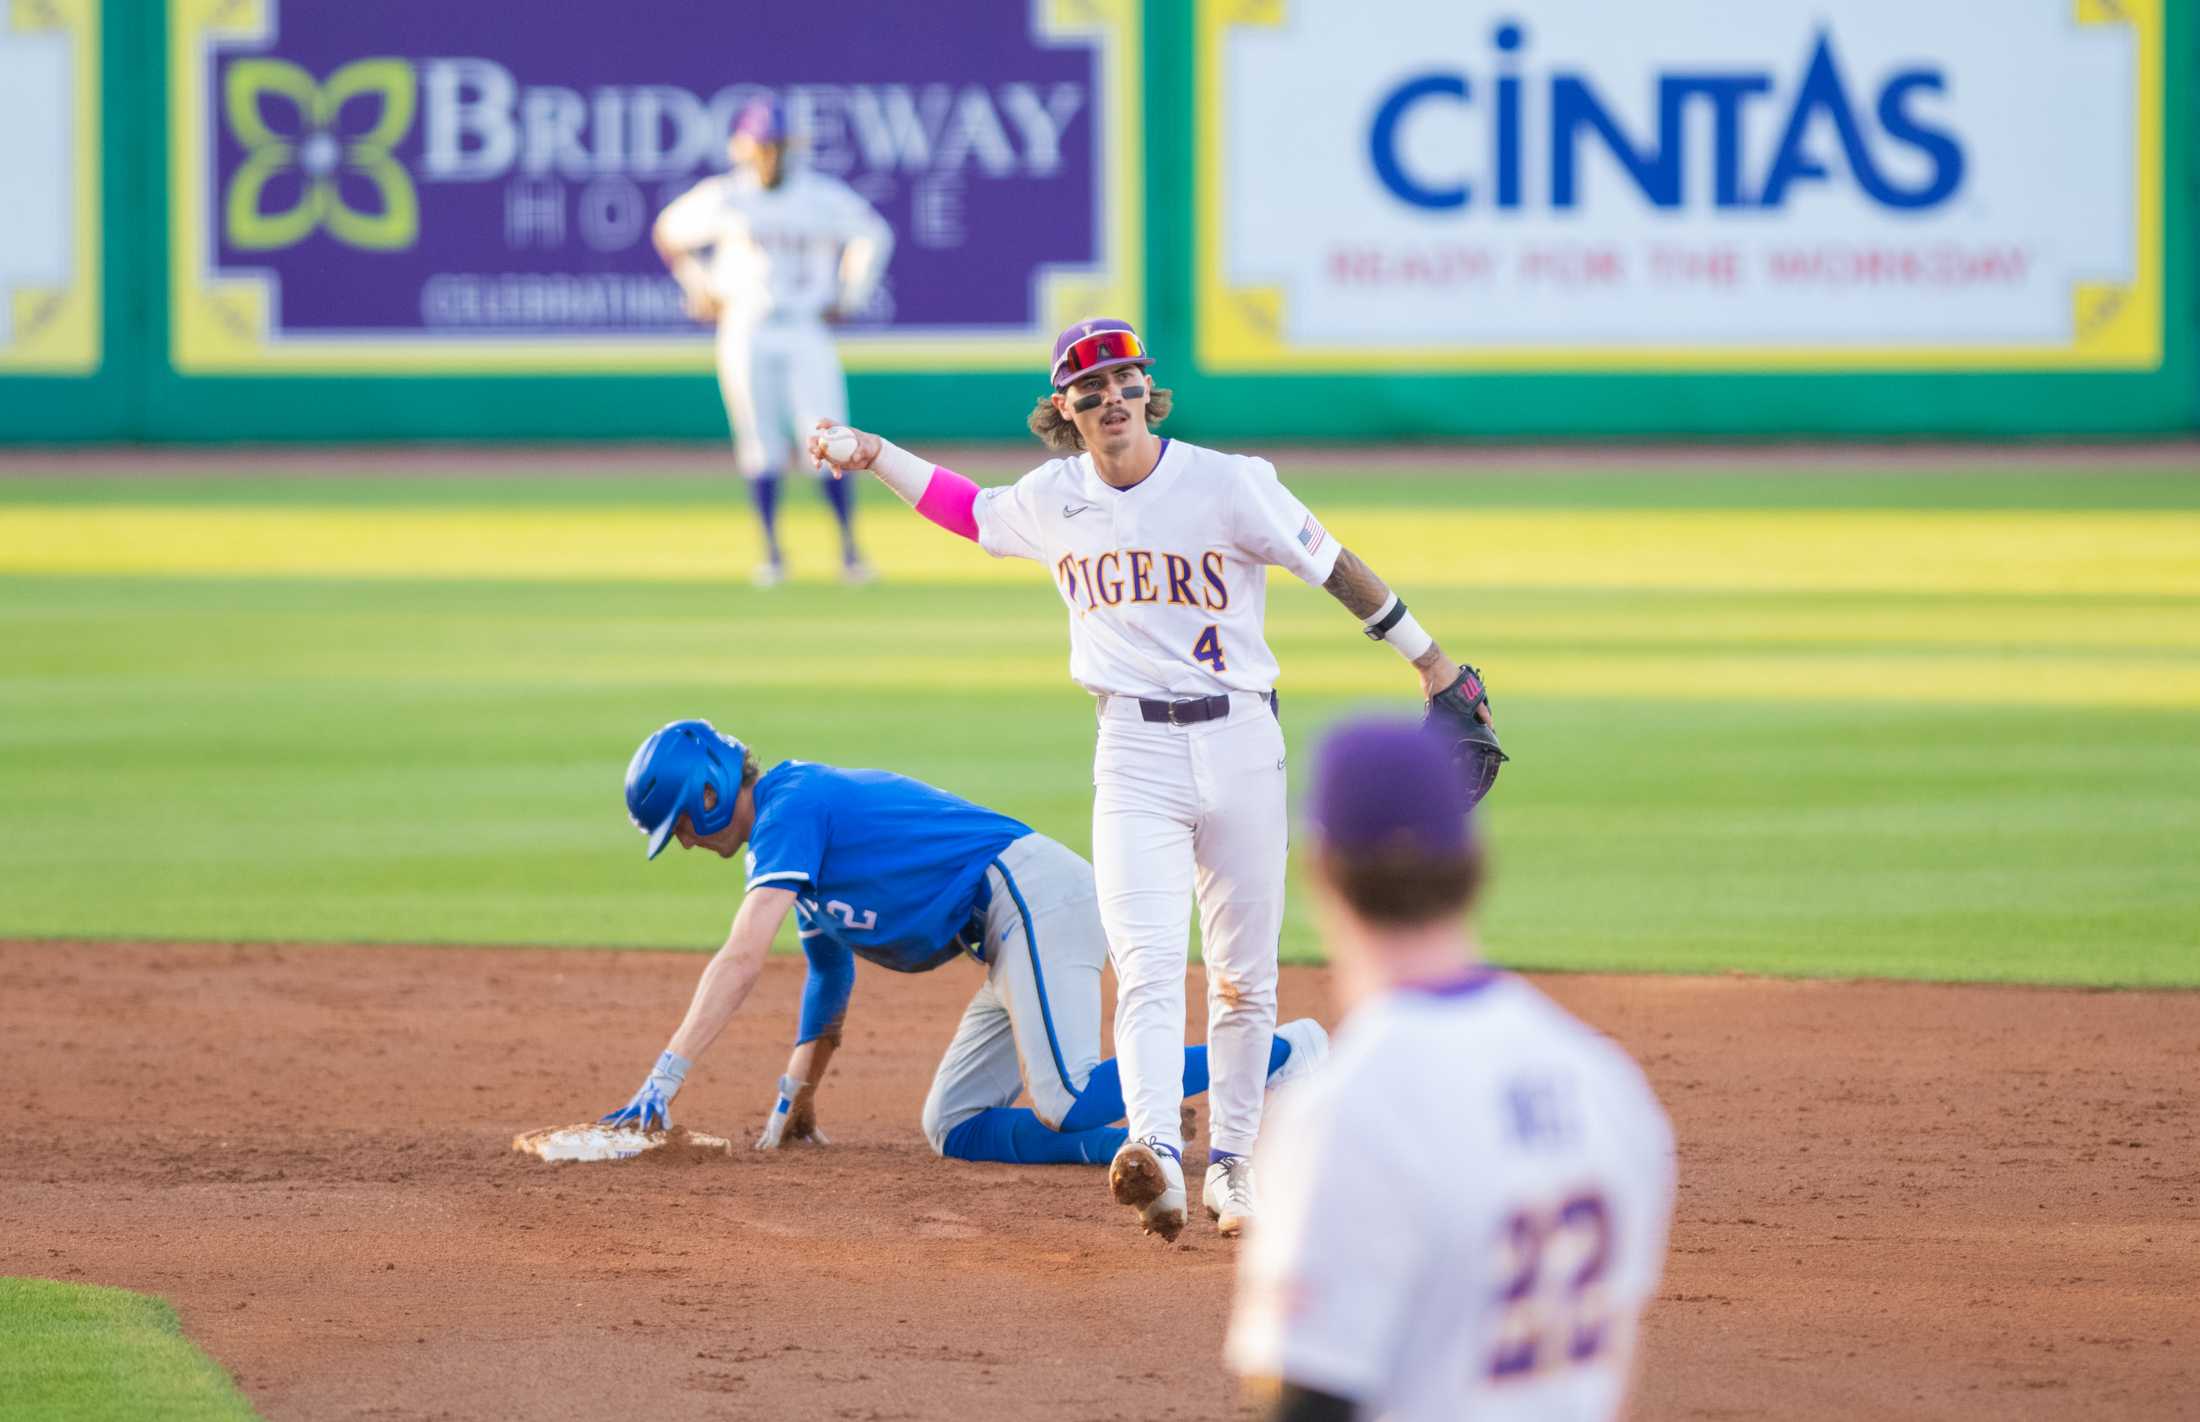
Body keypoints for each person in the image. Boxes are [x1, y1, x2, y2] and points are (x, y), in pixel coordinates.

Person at [803, 319, 1496, 1240]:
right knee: (1148, 965)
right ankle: (1159, 1153)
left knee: (1246, 981)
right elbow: (966, 508)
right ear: (1065, 411)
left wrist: (1433, 665)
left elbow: (1332, 566)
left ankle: (1237, 1167)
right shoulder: (1055, 498)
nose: (1111, 399)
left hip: (1244, 741)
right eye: (1089, 389)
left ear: (1148, 393)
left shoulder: (1229, 481)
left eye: (1125, 381)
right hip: (1132, 754)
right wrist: (876, 451)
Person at [600, 719, 1329, 1163]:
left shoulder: (791, 806)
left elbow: (742, 957)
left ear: (707, 793)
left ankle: (1289, 1051)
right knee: (952, 1123)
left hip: (1034, 898)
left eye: (682, 828)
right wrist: (799, 1095)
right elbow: (827, 980)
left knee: (1067, 1095)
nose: (687, 844)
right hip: (1006, 932)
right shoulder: (796, 858)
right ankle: (1134, 1143)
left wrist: (666, 1075)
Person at [1226, 719, 1675, 1422]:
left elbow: (1305, 1402)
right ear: (1475, 865)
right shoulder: (1606, 1083)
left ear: (1321, 869)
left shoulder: (1347, 1110)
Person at [654, 98, 893, 586]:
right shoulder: (725, 196)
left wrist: (851, 293)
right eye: (761, 147)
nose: (769, 156)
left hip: (805, 324)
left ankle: (849, 551)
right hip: (747, 324)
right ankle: (772, 554)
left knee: (829, 437)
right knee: (759, 440)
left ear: (790, 149)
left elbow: (873, 234)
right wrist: (700, 289)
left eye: (777, 146)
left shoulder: (819, 196)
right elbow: (669, 233)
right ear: (743, 149)